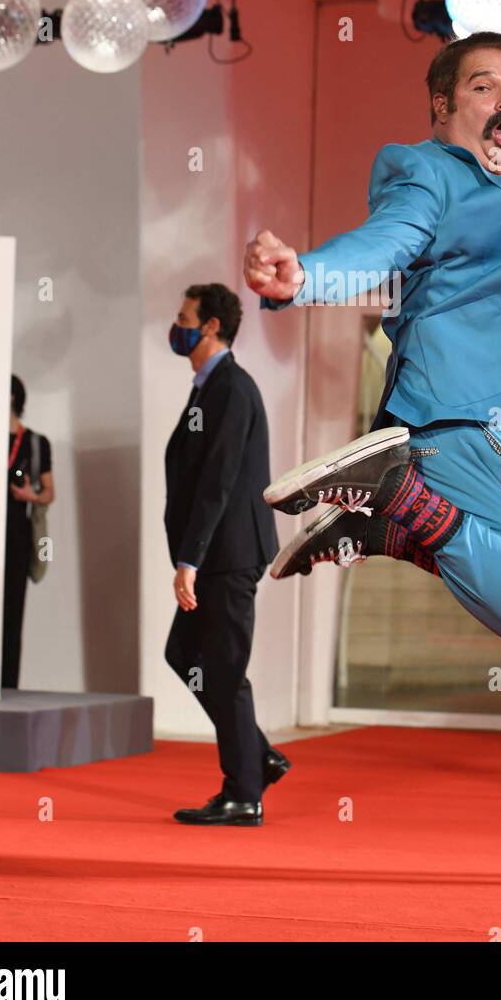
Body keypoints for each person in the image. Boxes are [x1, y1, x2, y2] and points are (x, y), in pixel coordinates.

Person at [244, 30, 501, 662]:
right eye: (483, 86)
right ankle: (397, 495)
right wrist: (305, 275)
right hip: (458, 415)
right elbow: (384, 244)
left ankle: (388, 527)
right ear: (442, 110)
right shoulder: (426, 173)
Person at [163, 283, 289, 827]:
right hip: (218, 552)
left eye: (185, 316)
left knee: (224, 668)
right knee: (184, 654)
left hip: (228, 553)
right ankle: (256, 756)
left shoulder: (232, 388)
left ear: (211, 326)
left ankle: (244, 793)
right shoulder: (209, 388)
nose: (177, 324)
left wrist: (189, 560)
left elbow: (218, 481)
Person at [3, 374, 54, 689]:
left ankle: (7, 686)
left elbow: (50, 493)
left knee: (12, 614)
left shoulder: (36, 443)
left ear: (11, 397)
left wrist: (30, 496)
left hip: (19, 533)